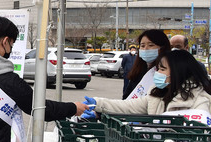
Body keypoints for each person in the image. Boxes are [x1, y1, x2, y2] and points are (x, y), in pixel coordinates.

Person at [83, 49, 211, 116]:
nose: (158, 73)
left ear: (178, 72)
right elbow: (128, 107)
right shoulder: (157, 94)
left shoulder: (200, 100)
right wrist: (98, 103)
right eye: (158, 69)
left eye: (162, 69)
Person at [123, 29, 171, 100]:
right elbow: (126, 97)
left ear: (162, 47)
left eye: (151, 45)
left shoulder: (167, 72)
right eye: (142, 46)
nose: (145, 49)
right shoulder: (138, 71)